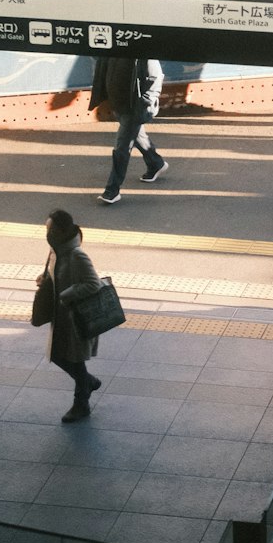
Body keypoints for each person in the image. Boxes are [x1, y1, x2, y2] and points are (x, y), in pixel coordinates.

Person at [35, 210, 103, 421]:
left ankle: (81, 402)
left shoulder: (76, 254)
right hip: (61, 316)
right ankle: (88, 383)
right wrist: (45, 278)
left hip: (74, 318)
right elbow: (57, 274)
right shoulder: (56, 251)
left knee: (73, 358)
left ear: (61, 231)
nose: (47, 233)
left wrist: (67, 294)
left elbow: (94, 284)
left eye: (51, 229)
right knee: (57, 355)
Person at [90, 54, 167, 203]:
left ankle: (112, 190)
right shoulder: (115, 46)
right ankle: (156, 164)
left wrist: (145, 102)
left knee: (122, 147)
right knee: (137, 135)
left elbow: (156, 77)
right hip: (118, 104)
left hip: (134, 108)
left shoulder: (143, 51)